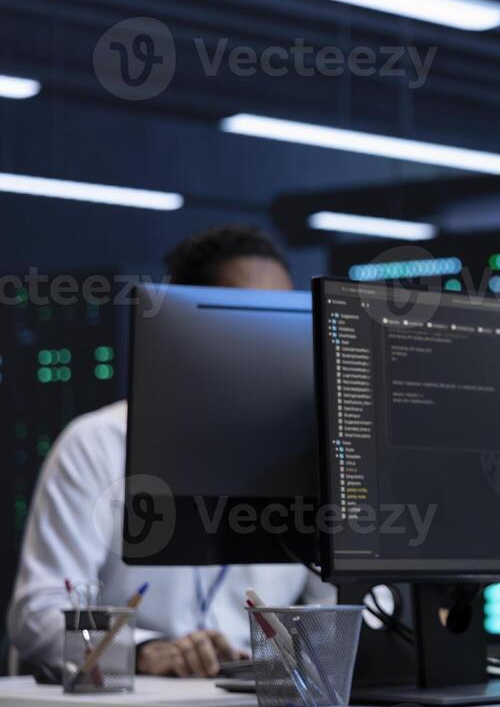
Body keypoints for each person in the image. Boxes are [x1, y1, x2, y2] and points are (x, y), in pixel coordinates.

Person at [8, 224, 334, 678]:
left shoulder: (308, 453)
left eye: (280, 318)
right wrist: (143, 649)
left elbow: (339, 604)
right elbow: (36, 614)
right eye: (241, 314)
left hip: (260, 705)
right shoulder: (97, 443)